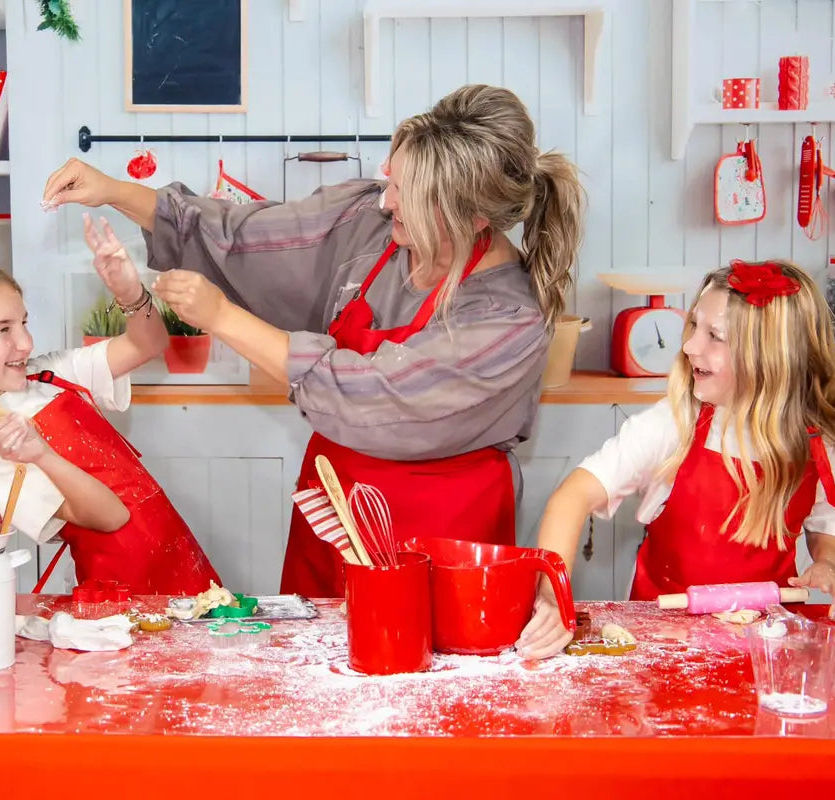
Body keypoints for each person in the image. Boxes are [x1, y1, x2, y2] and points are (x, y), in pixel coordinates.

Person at [42, 84, 586, 597]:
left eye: (406, 193)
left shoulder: (506, 318)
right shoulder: (366, 226)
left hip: (447, 542)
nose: (386, 201)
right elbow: (240, 236)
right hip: (336, 513)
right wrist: (113, 190)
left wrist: (223, 317)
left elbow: (371, 393)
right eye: (391, 179)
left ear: (469, 216)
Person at [516, 260, 835, 658]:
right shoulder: (675, 423)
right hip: (660, 646)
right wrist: (551, 598)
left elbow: (831, 526)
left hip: (763, 646)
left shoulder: (818, 442)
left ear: (770, 357)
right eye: (694, 327)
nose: (689, 346)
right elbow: (572, 497)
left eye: (714, 336)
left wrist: (829, 564)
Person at [0, 216, 220, 594]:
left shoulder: (47, 373)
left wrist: (130, 294)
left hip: (178, 555)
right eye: (4, 330)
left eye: (23, 323)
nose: (26, 343)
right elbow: (108, 517)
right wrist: (42, 454)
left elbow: (148, 344)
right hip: (121, 593)